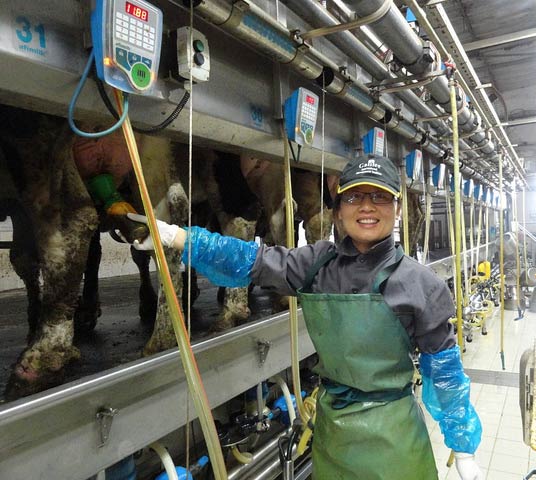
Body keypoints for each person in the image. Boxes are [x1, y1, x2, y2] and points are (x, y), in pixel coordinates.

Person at [128, 155, 483, 480]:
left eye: (380, 198)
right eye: (354, 197)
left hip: (395, 440)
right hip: (334, 437)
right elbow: (248, 259)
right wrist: (178, 236)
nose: (366, 208)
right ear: (338, 208)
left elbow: (446, 373)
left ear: (398, 208)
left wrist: (462, 445)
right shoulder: (316, 264)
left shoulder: (422, 285)